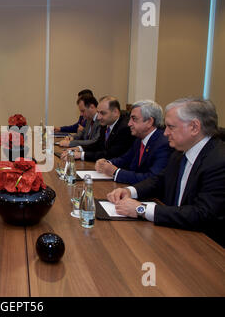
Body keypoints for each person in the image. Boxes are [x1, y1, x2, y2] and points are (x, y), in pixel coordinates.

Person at [107, 98, 225, 247]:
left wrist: (141, 209)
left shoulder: (219, 161)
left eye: (171, 127)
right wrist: (130, 191)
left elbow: (201, 214)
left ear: (194, 127)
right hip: (173, 234)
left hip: (205, 248)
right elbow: (160, 180)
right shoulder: (180, 151)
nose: (165, 133)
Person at [95, 100, 172, 184]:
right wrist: (106, 163)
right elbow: (125, 159)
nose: (129, 124)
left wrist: (116, 172)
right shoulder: (139, 139)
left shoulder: (163, 144)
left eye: (134, 119)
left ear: (149, 122)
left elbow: (152, 178)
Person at [62, 96, 135, 162]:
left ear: (115, 112)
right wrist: (79, 148)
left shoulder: (125, 128)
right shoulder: (106, 123)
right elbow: (98, 144)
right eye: (98, 112)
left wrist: (81, 155)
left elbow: (110, 154)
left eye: (102, 113)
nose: (98, 117)